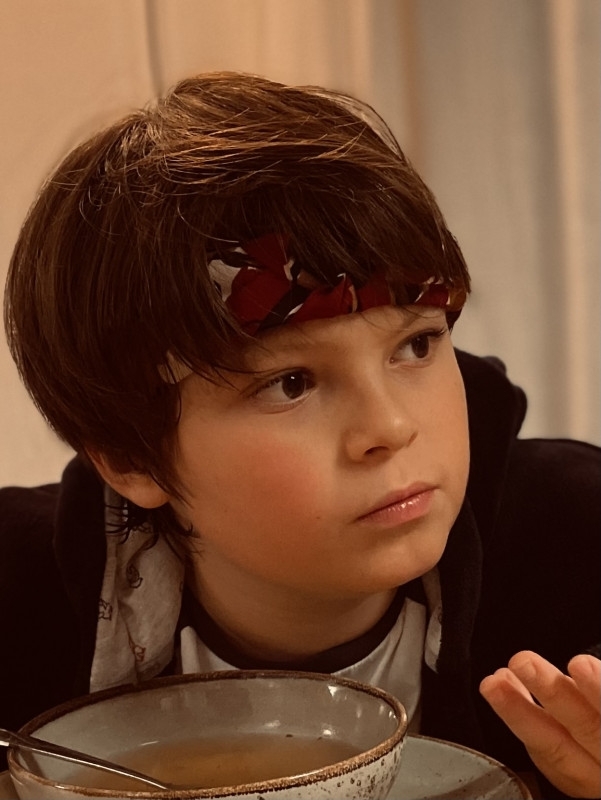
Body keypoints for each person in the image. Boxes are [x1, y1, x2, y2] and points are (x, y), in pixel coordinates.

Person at [1, 72, 599, 798]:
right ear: (132, 456)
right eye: (291, 383)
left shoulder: (578, 546)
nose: (389, 427)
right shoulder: (18, 595)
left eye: (415, 345)